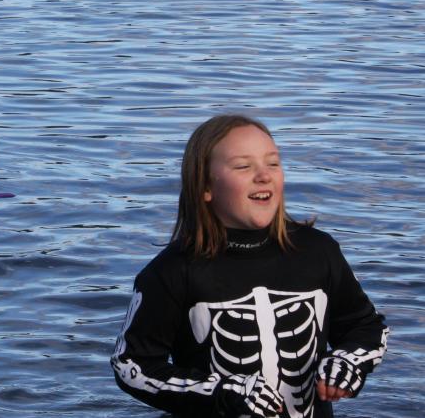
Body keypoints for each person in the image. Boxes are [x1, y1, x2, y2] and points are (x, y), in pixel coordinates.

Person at [111, 115, 388, 418]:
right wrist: (219, 392)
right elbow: (131, 365)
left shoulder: (318, 252)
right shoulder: (172, 272)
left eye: (273, 163)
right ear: (205, 186)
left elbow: (366, 327)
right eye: (244, 166)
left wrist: (349, 361)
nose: (264, 175)